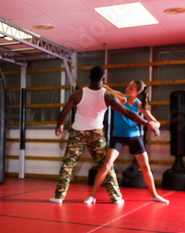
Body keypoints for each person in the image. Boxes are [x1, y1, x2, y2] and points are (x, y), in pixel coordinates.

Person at [50, 65, 158, 204]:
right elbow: (128, 113)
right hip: (96, 134)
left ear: (89, 77)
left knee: (68, 164)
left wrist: (58, 127)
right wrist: (147, 123)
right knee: (105, 165)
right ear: (103, 78)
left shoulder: (77, 94)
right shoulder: (108, 96)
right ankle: (116, 197)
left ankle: (59, 197)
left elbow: (63, 113)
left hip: (78, 132)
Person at [84, 80, 169, 204]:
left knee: (145, 167)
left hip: (135, 137)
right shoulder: (120, 98)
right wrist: (96, 83)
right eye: (128, 86)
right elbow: (107, 88)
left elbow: (157, 122)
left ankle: (154, 195)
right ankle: (92, 196)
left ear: (137, 92)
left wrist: (153, 124)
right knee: (106, 165)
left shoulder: (139, 105)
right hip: (118, 137)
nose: (127, 89)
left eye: (131, 88)